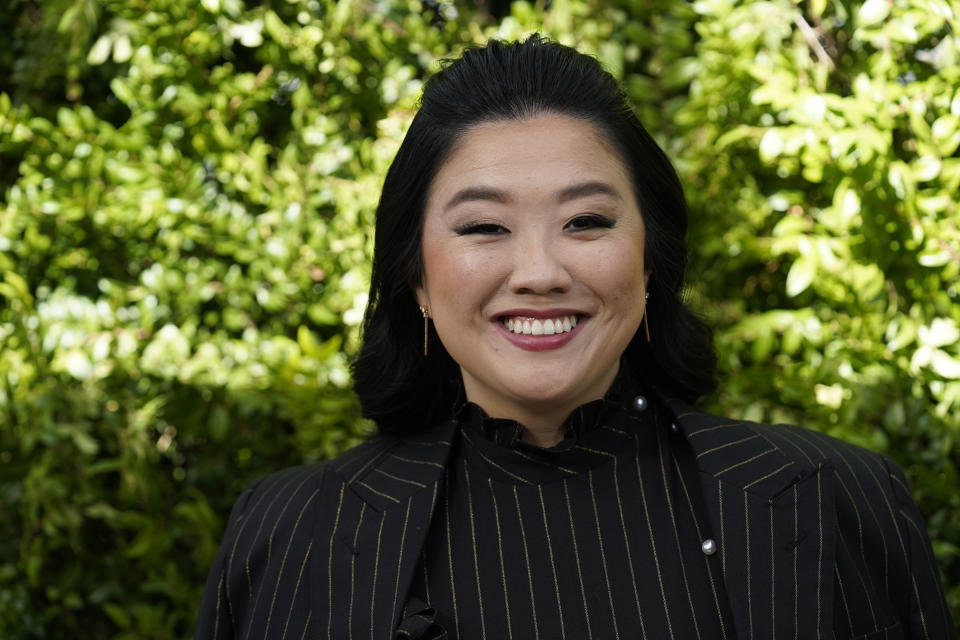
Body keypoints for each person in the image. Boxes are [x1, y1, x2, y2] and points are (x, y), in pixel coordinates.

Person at [196, 36, 954, 639]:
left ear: (651, 258)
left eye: (586, 221)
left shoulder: (835, 501)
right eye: (485, 227)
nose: (539, 272)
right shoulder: (291, 533)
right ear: (417, 279)